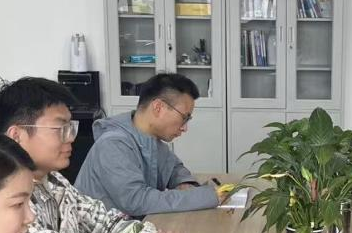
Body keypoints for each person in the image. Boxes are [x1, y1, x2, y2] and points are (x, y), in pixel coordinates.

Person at [0, 77, 185, 233]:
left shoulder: (54, 182)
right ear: (17, 136)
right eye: (60, 129)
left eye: (70, 127)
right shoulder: (6, 198)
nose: (71, 137)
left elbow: (104, 226)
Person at [76, 73, 234, 216]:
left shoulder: (149, 138)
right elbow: (137, 201)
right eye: (184, 118)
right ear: (158, 107)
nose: (185, 128)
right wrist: (206, 196)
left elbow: (174, 168)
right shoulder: (112, 144)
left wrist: (184, 183)